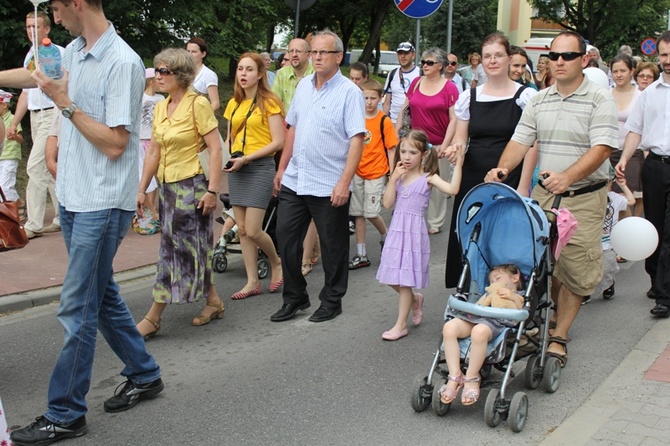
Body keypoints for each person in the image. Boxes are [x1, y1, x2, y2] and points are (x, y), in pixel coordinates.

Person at [4, 1, 164, 443]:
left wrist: (65, 104)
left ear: (76, 4)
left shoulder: (123, 62)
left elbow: (115, 144)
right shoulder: (74, 50)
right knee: (103, 293)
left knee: (78, 306)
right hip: (73, 198)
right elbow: (36, 78)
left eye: (54, 8)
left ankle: (66, 412)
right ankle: (145, 373)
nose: (52, 18)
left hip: (101, 202)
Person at [485, 30, 619, 367]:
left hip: (584, 198)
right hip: (545, 197)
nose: (559, 62)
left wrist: (568, 177)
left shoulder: (600, 99)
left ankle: (559, 337)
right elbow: (520, 141)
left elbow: (602, 148)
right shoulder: (539, 99)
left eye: (568, 56)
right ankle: (545, 322)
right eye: (554, 55)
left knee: (574, 268)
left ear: (584, 59)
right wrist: (501, 169)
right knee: (543, 266)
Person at [270, 29, 366, 323]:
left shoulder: (350, 92)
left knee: (332, 244)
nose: (317, 57)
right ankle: (295, 297)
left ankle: (332, 299)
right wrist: (283, 167)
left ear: (339, 57)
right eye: (314, 52)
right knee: (284, 237)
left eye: (324, 52)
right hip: (296, 178)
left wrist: (344, 183)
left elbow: (357, 139)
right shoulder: (303, 87)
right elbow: (293, 128)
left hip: (328, 182)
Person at [135, 48, 223, 338]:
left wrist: (212, 191)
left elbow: (215, 148)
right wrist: (141, 188)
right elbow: (154, 152)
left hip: (192, 186)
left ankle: (154, 315)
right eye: (156, 70)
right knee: (191, 247)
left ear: (181, 75)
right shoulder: (161, 106)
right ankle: (212, 300)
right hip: (168, 189)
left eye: (164, 71)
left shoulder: (197, 104)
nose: (158, 76)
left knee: (173, 251)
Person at [443, 33, 537, 289]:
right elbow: (462, 138)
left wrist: (524, 185)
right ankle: (469, 291)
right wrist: (456, 148)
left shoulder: (525, 97)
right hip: (473, 177)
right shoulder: (469, 97)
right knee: (472, 235)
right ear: (481, 61)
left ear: (509, 59)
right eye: (487, 56)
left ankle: (505, 296)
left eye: (498, 55)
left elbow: (531, 145)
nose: (492, 61)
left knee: (504, 237)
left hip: (510, 176)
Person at [376, 130, 463, 340]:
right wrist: (393, 178)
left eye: (412, 152)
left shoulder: (428, 178)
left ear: (423, 155)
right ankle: (415, 299)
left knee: (405, 280)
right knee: (389, 276)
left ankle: (400, 325)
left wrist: (458, 164)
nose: (406, 157)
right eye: (403, 151)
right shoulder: (399, 175)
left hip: (414, 232)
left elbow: (452, 189)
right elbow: (387, 204)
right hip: (397, 230)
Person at [616, 30, 670, 318]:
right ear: (657, 56)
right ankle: (655, 278)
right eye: (664, 55)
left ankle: (665, 295)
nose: (668, 61)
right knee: (656, 227)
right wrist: (624, 158)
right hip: (655, 166)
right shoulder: (648, 94)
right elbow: (635, 130)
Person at [223, 52, 284, 299]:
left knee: (254, 229)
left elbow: (278, 142)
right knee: (243, 231)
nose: (243, 74)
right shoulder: (234, 103)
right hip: (238, 169)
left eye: (249, 70)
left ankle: (276, 262)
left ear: (260, 74)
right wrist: (230, 158)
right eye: (240, 69)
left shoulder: (270, 102)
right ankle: (251, 282)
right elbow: (230, 138)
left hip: (259, 168)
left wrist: (247, 158)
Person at [7, 10, 63, 239]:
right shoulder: (30, 55)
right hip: (35, 115)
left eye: (36, 27)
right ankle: (63, 216)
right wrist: (15, 122)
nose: (31, 31)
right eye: (28, 27)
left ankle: (34, 223)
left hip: (53, 113)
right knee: (49, 170)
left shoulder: (57, 52)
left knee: (34, 166)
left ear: (47, 29)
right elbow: (26, 92)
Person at [440, 264, 524, 404]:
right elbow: (477, 307)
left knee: (479, 331)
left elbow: (521, 314)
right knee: (449, 327)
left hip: (496, 322)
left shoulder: (519, 296)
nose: (493, 283)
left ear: (515, 278)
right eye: (491, 281)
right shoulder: (488, 293)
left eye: (497, 278)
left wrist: (512, 297)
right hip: (476, 318)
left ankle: (472, 377)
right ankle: (455, 374)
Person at [396, 48, 459, 234]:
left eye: (430, 62)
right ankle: (411, 216)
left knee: (437, 186)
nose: (425, 65)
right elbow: (405, 107)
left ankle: (435, 222)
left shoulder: (449, 88)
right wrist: (397, 127)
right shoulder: (416, 83)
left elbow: (454, 119)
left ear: (441, 65)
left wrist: (446, 145)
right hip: (415, 145)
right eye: (423, 62)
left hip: (438, 144)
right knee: (411, 180)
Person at [348, 79, 397, 270]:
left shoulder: (383, 120)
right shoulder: (356, 117)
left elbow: (391, 148)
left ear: (380, 98)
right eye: (365, 97)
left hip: (376, 171)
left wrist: (393, 174)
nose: (368, 102)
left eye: (372, 98)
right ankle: (361, 254)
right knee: (358, 213)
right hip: (357, 171)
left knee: (371, 212)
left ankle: (387, 237)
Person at [583, 176, 635, 304]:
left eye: (606, 183)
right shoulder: (588, 198)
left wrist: (623, 185)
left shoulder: (614, 198)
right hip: (591, 241)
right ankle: (585, 292)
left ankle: (609, 283)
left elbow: (631, 201)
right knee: (587, 268)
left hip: (608, 243)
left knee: (606, 268)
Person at [609, 54, 643, 218]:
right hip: (608, 152)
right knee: (613, 200)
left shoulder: (641, 96)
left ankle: (632, 233)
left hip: (632, 154)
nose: (619, 75)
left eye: (623, 70)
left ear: (632, 71)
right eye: (615, 71)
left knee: (630, 198)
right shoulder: (606, 95)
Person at [138, 68, 162, 223]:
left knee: (157, 176)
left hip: (157, 141)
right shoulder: (140, 98)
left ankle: (153, 208)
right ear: (151, 81)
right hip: (141, 141)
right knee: (147, 176)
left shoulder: (161, 99)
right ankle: (150, 212)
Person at [382, 41, 420, 125]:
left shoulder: (420, 74)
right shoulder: (392, 74)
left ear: (413, 55)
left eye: (406, 53)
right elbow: (387, 102)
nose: (403, 56)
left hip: (413, 123)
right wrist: (384, 123)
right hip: (393, 122)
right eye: (400, 53)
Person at [272, 38, 313, 111]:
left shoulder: (317, 74)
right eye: (291, 51)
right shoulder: (282, 73)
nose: (294, 55)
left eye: (298, 51)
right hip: (284, 121)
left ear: (308, 55)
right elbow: (274, 104)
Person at [186, 37, 220, 111]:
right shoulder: (181, 72)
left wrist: (203, 116)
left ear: (203, 54)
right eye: (188, 51)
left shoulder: (209, 75)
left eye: (194, 52)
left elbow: (215, 103)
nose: (190, 54)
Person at [0, 90, 22, 203]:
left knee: (5, 187)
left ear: (4, 105)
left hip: (10, 157)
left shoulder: (14, 119)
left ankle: (15, 208)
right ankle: (19, 204)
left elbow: (21, 139)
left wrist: (14, 137)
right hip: (1, 156)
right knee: (2, 189)